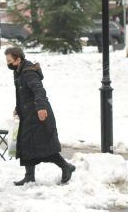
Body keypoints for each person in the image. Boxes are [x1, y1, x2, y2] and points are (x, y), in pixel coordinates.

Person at [5, 46, 76, 186]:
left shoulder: (28, 73)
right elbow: (24, 94)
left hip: (38, 115)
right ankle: (29, 176)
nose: (8, 64)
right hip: (28, 114)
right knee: (26, 145)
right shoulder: (19, 71)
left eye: (9, 61)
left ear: (18, 59)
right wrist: (17, 108)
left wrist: (41, 107)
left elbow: (39, 90)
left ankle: (66, 166)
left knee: (44, 146)